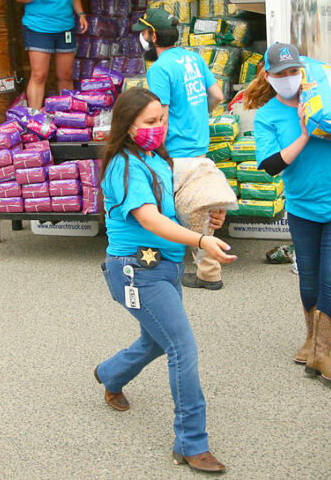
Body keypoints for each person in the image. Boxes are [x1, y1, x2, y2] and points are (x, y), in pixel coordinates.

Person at [95, 87, 235, 473]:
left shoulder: (155, 158)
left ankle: (110, 374)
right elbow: (149, 218)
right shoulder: (124, 166)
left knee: (157, 340)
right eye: (150, 122)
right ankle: (191, 443)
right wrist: (202, 240)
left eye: (162, 119)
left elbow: (170, 211)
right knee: (182, 348)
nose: (159, 127)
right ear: (128, 126)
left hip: (164, 267)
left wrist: (207, 219)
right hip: (136, 272)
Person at [246, 42, 331, 384]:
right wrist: (306, 132)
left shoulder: (322, 103)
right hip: (302, 207)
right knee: (309, 276)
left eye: (293, 71)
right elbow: (269, 166)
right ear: (268, 76)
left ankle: (322, 354)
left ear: (302, 71)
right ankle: (311, 338)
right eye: (281, 73)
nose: (289, 78)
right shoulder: (267, 116)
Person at [132, 8, 233, 290]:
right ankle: (208, 273)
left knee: (167, 211)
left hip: (175, 153)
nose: (142, 37)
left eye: (144, 32)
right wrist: (199, 115)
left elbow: (159, 116)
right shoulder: (194, 58)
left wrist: (149, 149)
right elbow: (217, 95)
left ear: (153, 35)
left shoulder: (161, 68)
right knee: (200, 211)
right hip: (200, 149)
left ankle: (164, 268)